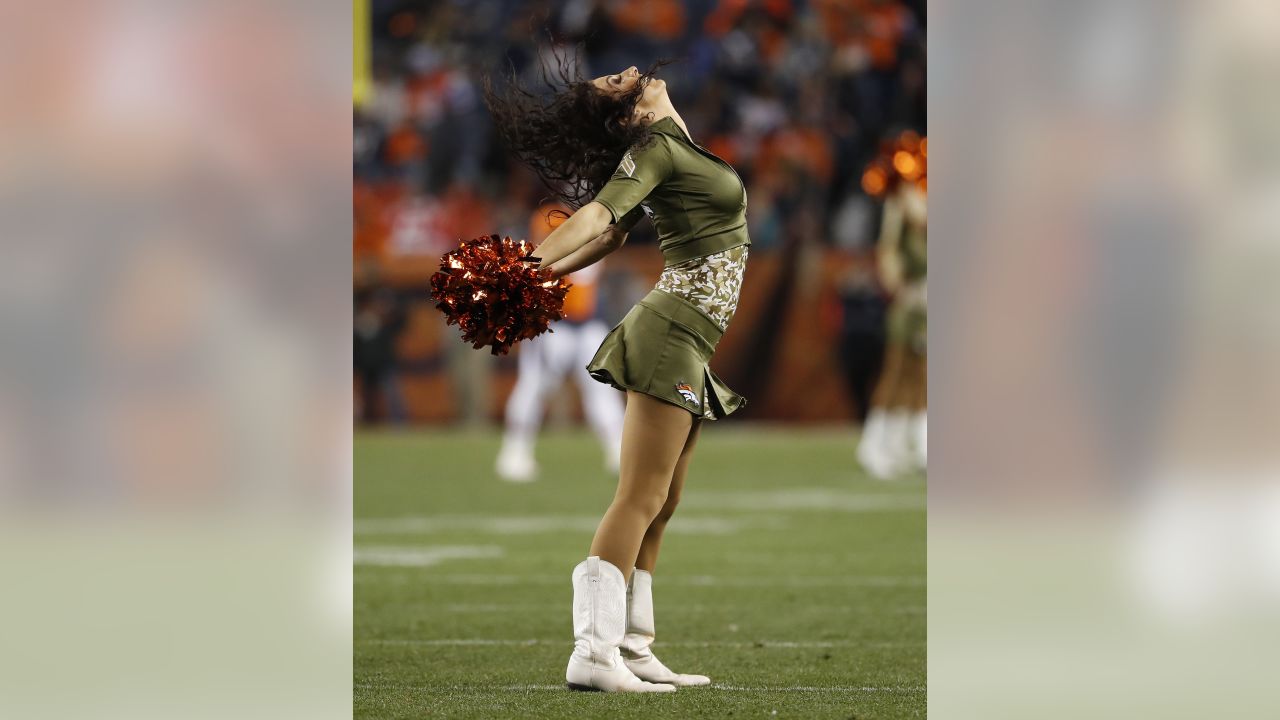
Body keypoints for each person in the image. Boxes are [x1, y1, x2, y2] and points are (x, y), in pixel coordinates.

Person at [486, 61, 750, 692]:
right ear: (628, 113)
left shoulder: (672, 146)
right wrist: (519, 268)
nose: (630, 71)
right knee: (639, 496)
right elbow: (597, 219)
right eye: (613, 82)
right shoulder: (655, 147)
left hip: (690, 337)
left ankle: (633, 646)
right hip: (670, 331)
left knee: (664, 502)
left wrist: (539, 278)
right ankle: (594, 655)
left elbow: (607, 243)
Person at [495, 203, 625, 482]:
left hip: (589, 323)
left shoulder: (598, 216)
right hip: (553, 324)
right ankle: (514, 452)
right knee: (534, 387)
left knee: (602, 390)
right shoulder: (550, 218)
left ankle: (619, 452)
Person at [857, 179, 927, 479]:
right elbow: (891, 263)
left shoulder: (922, 234)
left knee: (919, 378)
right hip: (909, 311)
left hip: (925, 310)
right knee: (895, 374)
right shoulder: (902, 228)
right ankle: (872, 445)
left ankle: (906, 444)